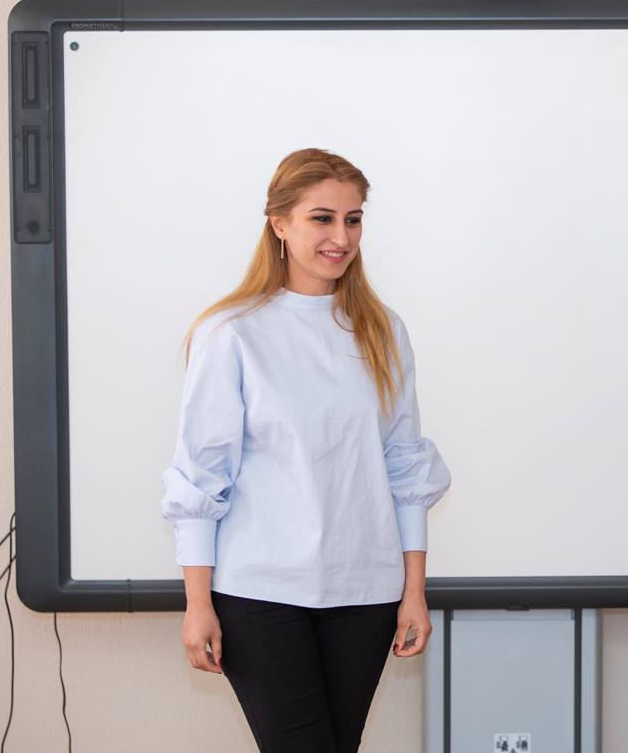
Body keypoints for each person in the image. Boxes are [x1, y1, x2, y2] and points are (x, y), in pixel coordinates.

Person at [161, 148, 451, 752]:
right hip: (259, 593)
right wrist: (197, 603)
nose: (341, 237)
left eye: (353, 219)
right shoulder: (231, 332)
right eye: (322, 218)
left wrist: (413, 592)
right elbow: (201, 475)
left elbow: (404, 465)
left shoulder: (383, 331)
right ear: (279, 223)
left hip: (365, 593)